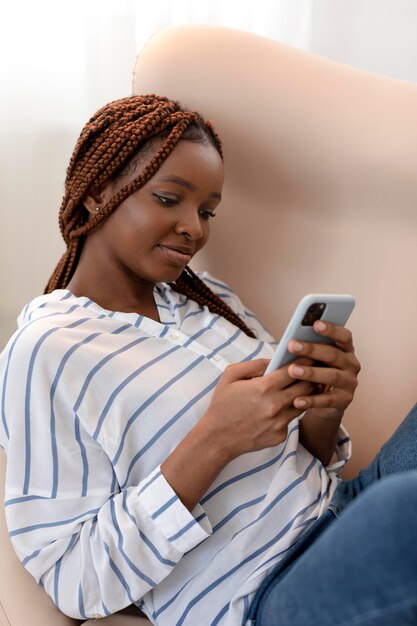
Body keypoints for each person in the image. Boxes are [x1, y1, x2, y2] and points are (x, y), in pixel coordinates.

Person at [0, 94, 416, 626]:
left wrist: (323, 409)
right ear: (97, 194)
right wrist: (213, 439)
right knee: (406, 512)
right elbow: (74, 578)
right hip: (267, 589)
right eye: (170, 199)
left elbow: (305, 458)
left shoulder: (204, 297)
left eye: (206, 211)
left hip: (343, 506)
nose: (195, 229)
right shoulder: (48, 352)